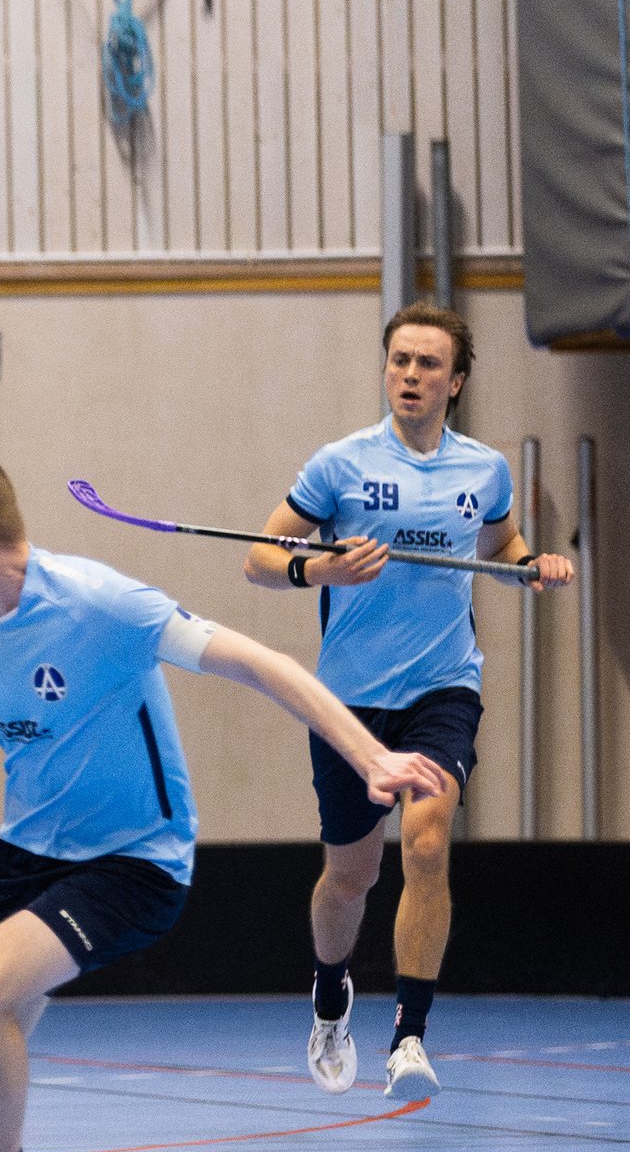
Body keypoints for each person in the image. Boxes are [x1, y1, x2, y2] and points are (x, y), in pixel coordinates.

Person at [0, 447, 451, 1152]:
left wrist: (369, 753)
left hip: (136, 858)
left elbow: (261, 663)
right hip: (32, 851)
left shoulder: (99, 603)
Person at [242, 303, 573, 1103]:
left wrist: (535, 564)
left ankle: (410, 1033)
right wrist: (321, 572)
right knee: (350, 877)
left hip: (443, 686)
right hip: (350, 704)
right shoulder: (339, 465)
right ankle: (330, 993)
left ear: (455, 380)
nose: (410, 376)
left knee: (425, 845)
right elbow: (260, 557)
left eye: (428, 364)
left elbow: (500, 544)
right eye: (399, 361)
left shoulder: (483, 470)